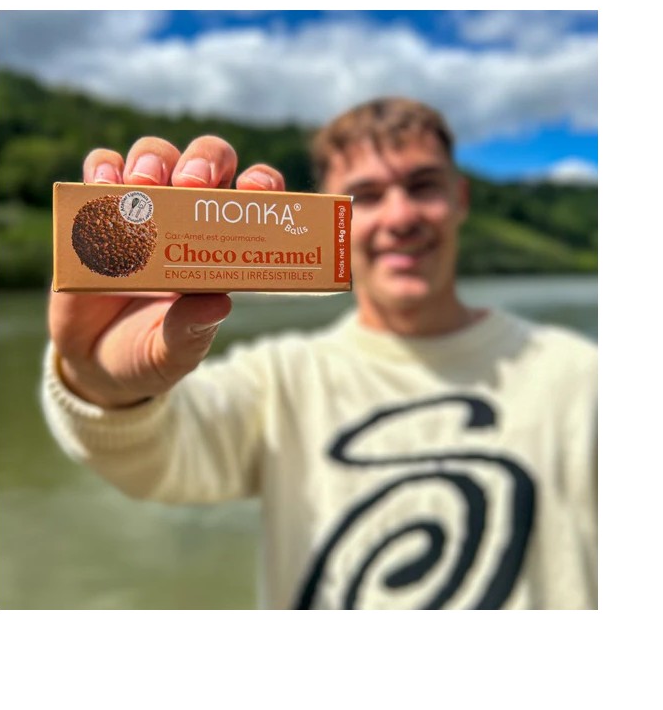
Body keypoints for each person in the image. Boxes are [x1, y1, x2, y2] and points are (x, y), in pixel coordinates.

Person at [41, 97, 597, 610]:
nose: (399, 216)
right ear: (332, 212)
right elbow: (159, 460)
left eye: (423, 185)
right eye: (367, 195)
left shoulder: (584, 377)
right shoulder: (279, 377)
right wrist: (102, 384)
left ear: (461, 199)